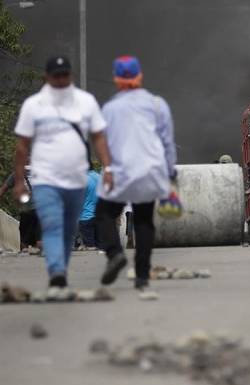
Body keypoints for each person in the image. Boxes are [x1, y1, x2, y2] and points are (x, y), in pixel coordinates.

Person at [12, 55, 112, 288]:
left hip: (76, 178)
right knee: (52, 221)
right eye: (55, 76)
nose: (60, 80)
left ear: (71, 76)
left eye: (64, 75)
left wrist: (109, 168)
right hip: (45, 178)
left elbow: (98, 138)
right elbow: (22, 146)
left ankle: (60, 264)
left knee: (68, 226)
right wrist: (18, 180)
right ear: (46, 77)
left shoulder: (85, 102)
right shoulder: (33, 106)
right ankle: (57, 271)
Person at [95, 56, 177, 290]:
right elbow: (167, 142)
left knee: (104, 213)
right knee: (143, 220)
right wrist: (170, 171)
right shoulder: (157, 104)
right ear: (140, 76)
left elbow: (104, 142)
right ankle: (141, 276)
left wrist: (107, 167)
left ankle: (114, 254)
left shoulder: (109, 108)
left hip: (121, 170)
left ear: (116, 79)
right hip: (150, 170)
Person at [0, 166, 41, 251]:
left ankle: (26, 252)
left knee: (25, 242)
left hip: (27, 212)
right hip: (38, 211)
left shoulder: (17, 174)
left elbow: (3, 189)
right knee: (38, 240)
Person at [78, 169, 101, 249]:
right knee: (100, 246)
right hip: (99, 215)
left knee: (90, 247)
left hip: (86, 216)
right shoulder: (99, 177)